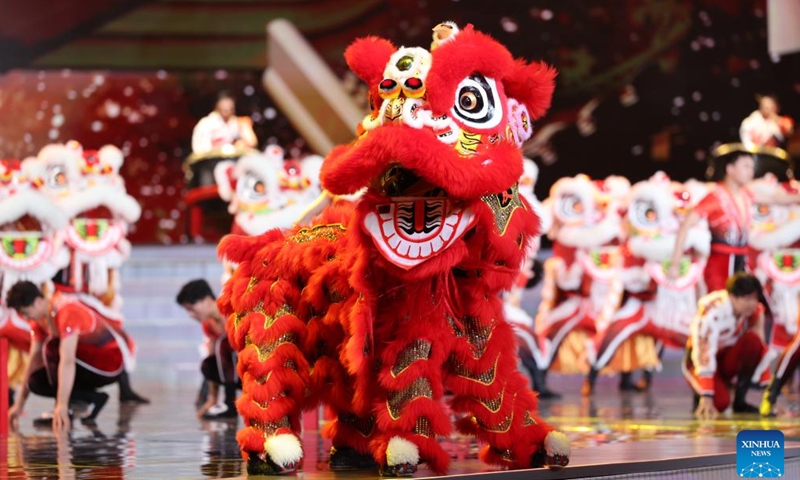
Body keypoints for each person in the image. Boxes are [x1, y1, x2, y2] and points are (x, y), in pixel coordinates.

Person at [669, 148, 800, 291]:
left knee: (747, 308)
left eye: (752, 167)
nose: (751, 172)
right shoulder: (715, 197)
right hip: (720, 264)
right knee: (722, 308)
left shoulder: (747, 194)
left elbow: (776, 199)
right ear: (730, 169)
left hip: (743, 262)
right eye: (746, 166)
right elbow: (685, 225)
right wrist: (675, 262)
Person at [6, 281, 124, 430]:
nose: (26, 317)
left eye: (26, 312)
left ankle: (66, 409)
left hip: (109, 364)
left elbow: (67, 360)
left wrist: (61, 405)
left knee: (52, 347)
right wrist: (19, 404)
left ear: (37, 302)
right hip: (83, 362)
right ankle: (91, 398)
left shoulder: (65, 310)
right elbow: (33, 359)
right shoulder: (39, 320)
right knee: (35, 381)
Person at [683, 273, 771, 418]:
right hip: (699, 359)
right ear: (732, 296)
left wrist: (769, 399)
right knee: (720, 404)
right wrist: (707, 395)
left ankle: (740, 401)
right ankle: (700, 395)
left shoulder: (755, 311)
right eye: (747, 298)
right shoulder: (712, 312)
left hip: (725, 357)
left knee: (753, 341)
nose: (752, 303)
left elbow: (761, 349)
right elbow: (703, 354)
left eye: (755, 298)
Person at [176, 279, 238, 420]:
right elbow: (215, 359)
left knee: (223, 343)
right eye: (188, 311)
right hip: (235, 372)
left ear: (207, 299)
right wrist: (212, 400)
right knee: (208, 364)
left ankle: (232, 404)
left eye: (192, 309)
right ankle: (229, 403)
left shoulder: (231, 311)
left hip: (255, 367)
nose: (191, 315)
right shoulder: (208, 325)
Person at [191, 92, 258, 154]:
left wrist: (245, 128)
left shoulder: (238, 122)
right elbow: (200, 150)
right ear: (217, 105)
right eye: (224, 102)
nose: (226, 105)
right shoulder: (206, 123)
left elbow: (251, 143)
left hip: (234, 159)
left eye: (229, 102)